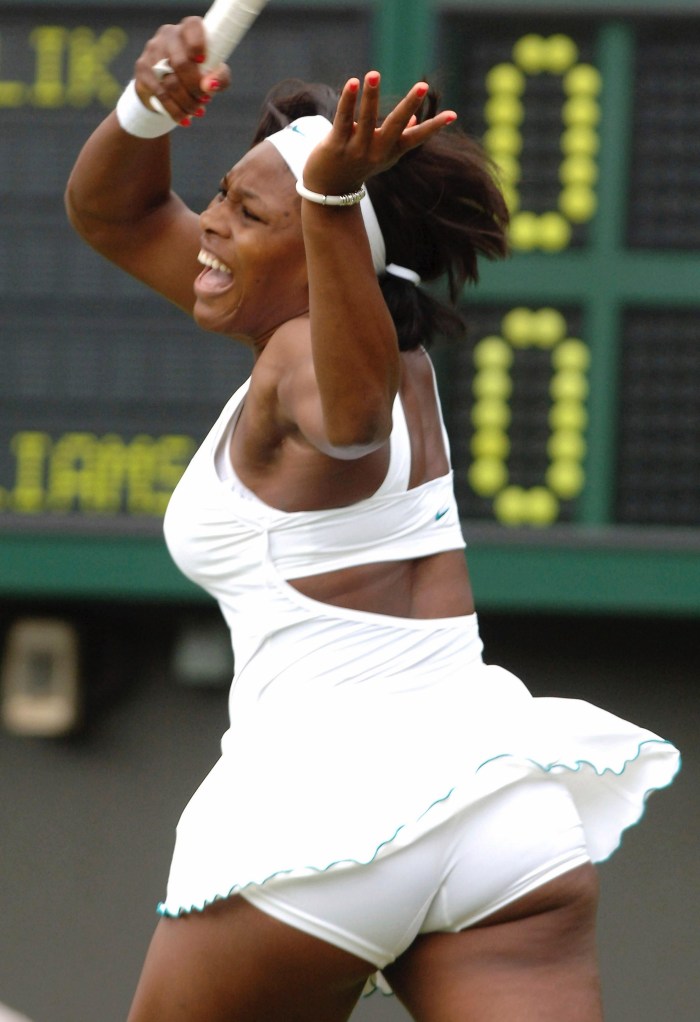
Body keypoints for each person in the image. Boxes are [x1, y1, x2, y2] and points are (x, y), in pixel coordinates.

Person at [65, 15, 680, 1022]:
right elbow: (115, 215)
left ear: (324, 245)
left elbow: (351, 422)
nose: (209, 223)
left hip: (323, 823)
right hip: (500, 824)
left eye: (247, 213)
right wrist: (146, 109)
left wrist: (328, 197)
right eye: (220, 195)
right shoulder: (331, 325)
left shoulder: (304, 358)